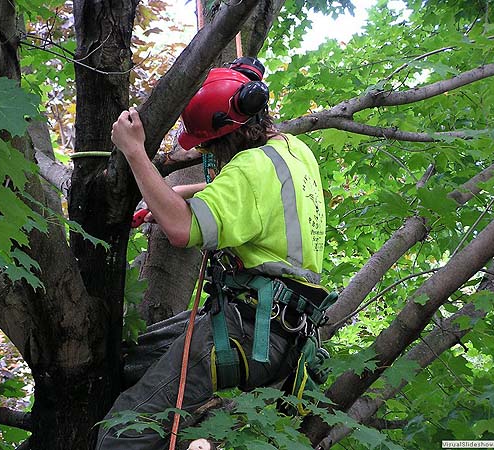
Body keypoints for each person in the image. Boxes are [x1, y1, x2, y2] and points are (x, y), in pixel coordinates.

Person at [96, 57, 332, 450]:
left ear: (230, 136)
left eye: (210, 145)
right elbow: (246, 200)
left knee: (121, 435)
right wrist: (172, 196)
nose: (209, 153)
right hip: (281, 328)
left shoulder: (247, 171)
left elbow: (181, 229)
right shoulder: (292, 149)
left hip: (247, 330)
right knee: (131, 360)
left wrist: (135, 152)